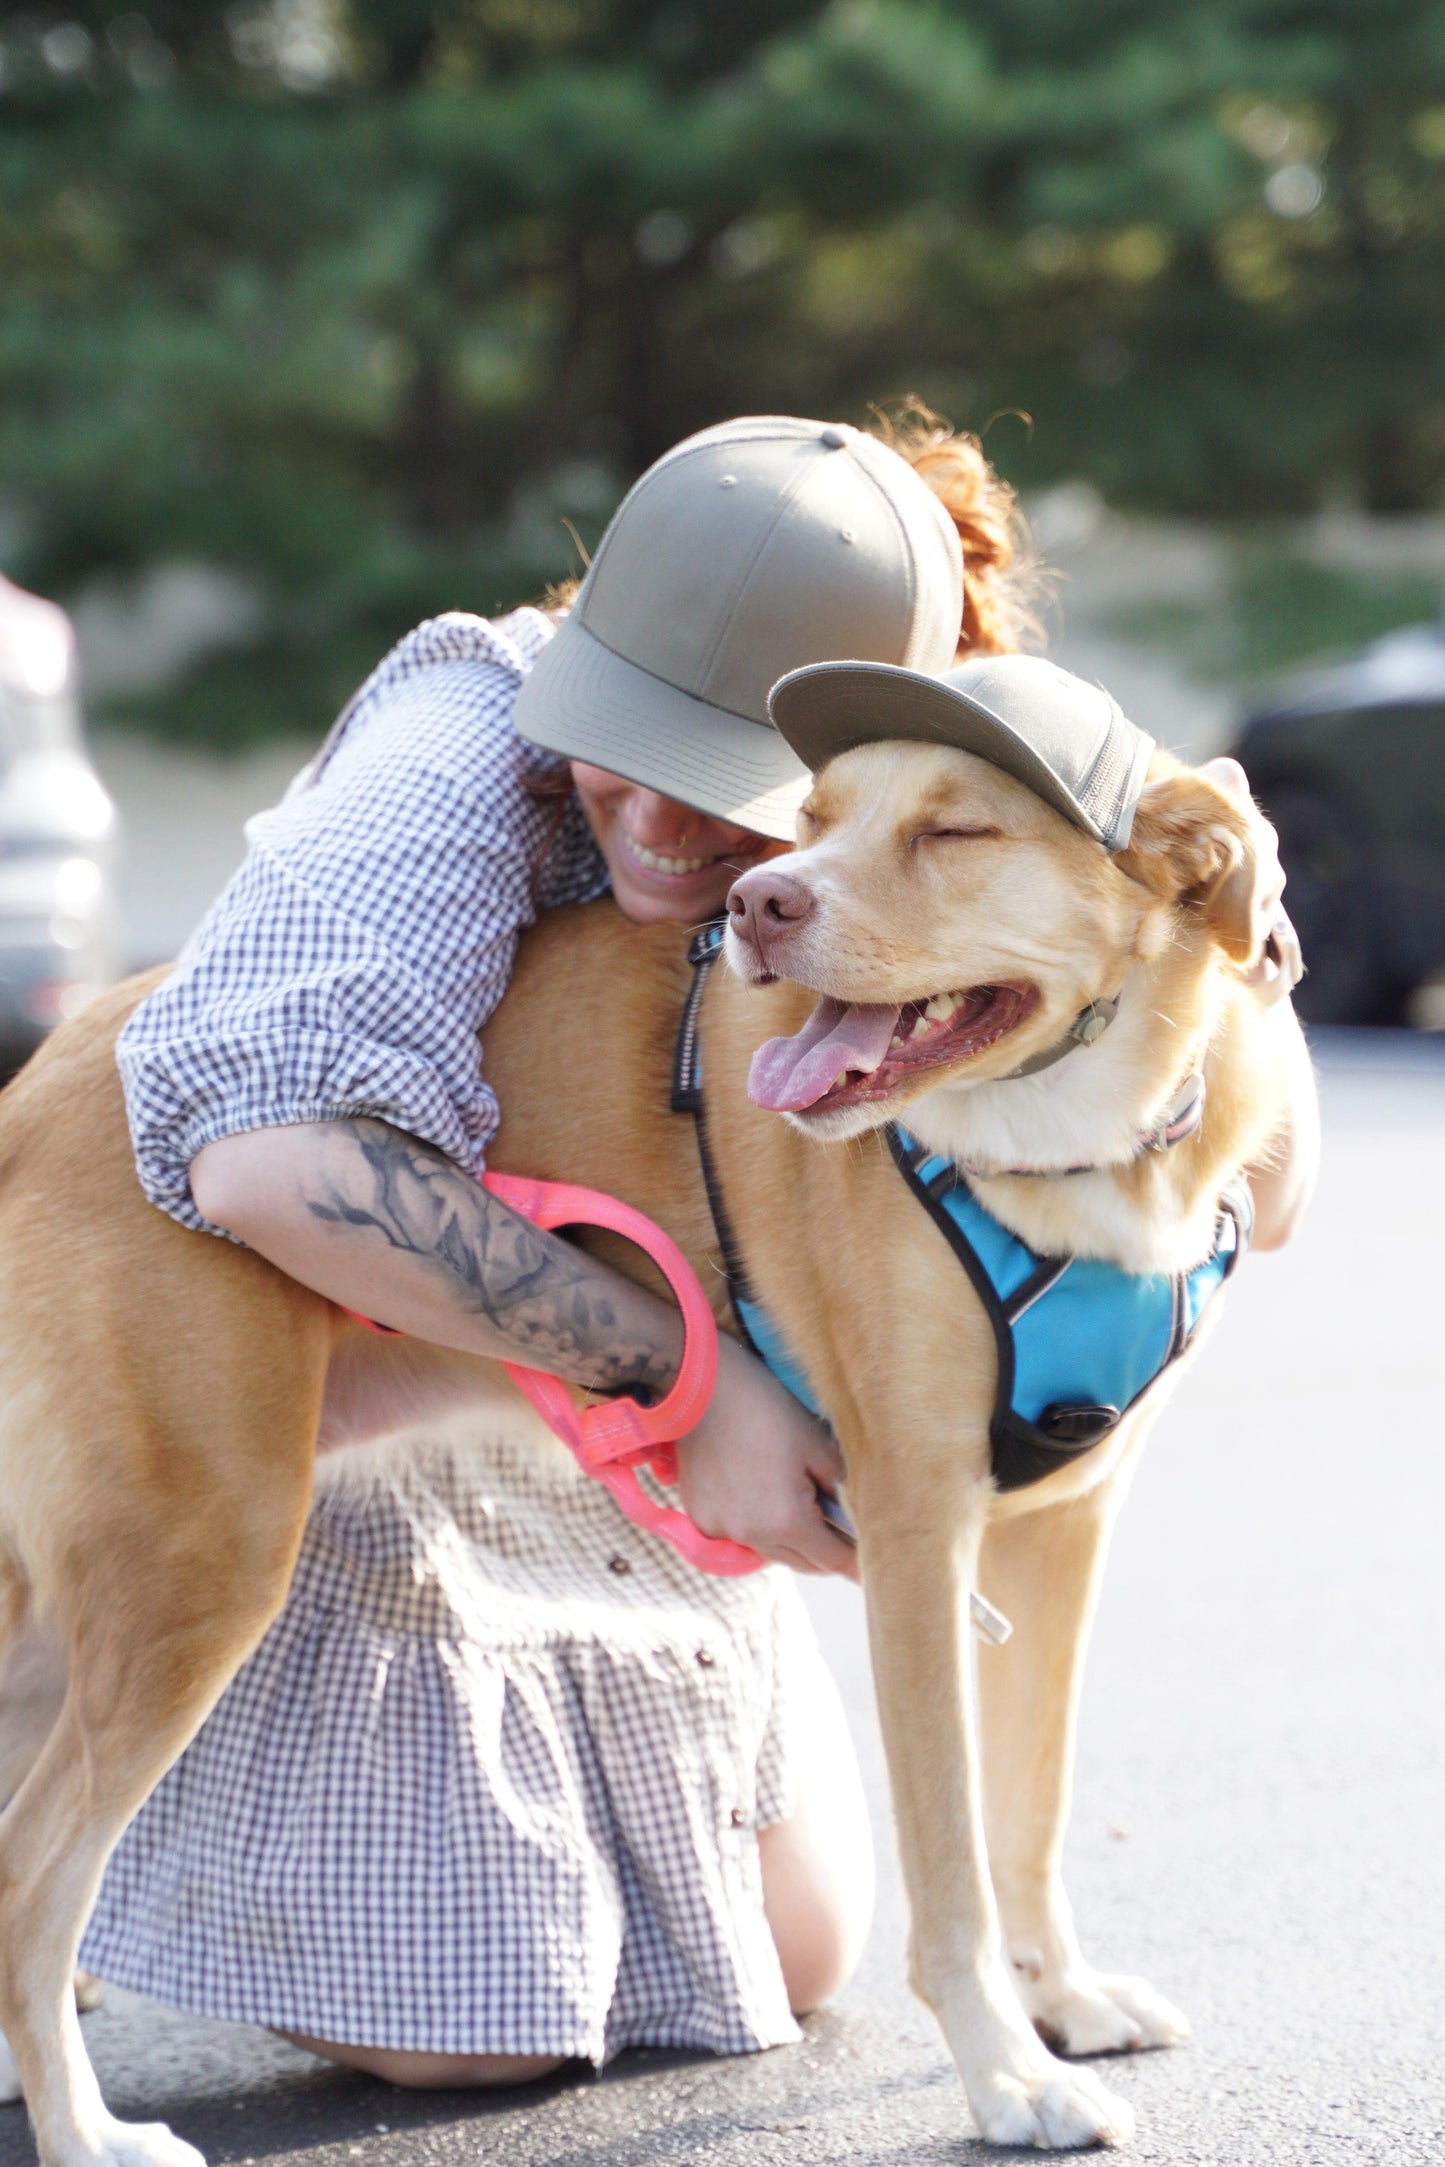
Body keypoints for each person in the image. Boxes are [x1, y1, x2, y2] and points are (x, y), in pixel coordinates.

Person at [81, 411, 1038, 2084]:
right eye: (625, 745)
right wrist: (691, 1386)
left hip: (563, 1402)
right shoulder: (461, 736)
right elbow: (257, 1157)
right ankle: (71, 1822)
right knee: (472, 2031)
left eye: (735, 791)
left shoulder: (935, 798)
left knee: (791, 1959)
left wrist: (1234, 966)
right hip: (337, 1348)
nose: (665, 831)